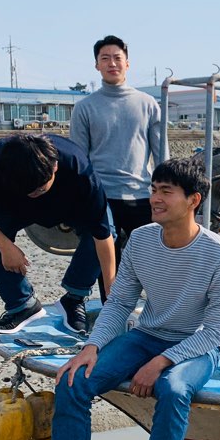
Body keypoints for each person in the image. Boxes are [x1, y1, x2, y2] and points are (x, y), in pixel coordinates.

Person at [22, 158, 220, 440]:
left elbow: (215, 332)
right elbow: (120, 301)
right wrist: (93, 346)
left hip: (196, 346)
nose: (155, 198)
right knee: (74, 380)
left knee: (174, 390)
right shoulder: (140, 239)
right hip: (146, 335)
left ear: (193, 201)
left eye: (166, 192)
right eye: (154, 189)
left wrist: (161, 363)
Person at [0, 133, 115, 334]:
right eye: (27, 191)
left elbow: (103, 237)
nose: (33, 194)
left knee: (108, 229)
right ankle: (23, 306)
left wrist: (112, 294)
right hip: (12, 207)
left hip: (70, 205)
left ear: (55, 167)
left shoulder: (79, 169)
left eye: (39, 190)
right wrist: (5, 247)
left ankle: (74, 298)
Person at [71, 35, 161, 299]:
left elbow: (161, 154)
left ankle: (159, 310)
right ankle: (113, 312)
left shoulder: (148, 103)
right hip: (102, 197)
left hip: (141, 195)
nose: (112, 63)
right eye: (105, 58)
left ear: (127, 63)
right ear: (97, 65)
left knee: (152, 259)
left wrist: (163, 192)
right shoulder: (84, 107)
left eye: (117, 58)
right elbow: (78, 159)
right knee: (108, 264)